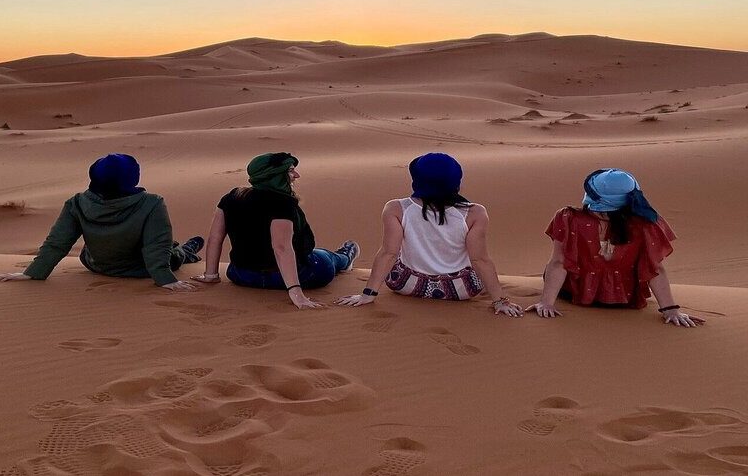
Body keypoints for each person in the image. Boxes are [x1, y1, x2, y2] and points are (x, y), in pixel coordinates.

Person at [0, 154, 202, 291]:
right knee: (174, 252)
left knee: (167, 247)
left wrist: (33, 272)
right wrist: (165, 281)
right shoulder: (152, 203)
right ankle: (188, 250)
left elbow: (58, 242)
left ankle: (182, 248)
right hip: (140, 269)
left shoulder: (77, 202)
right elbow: (156, 247)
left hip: (95, 264)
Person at [335, 153, 522, 316]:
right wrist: (500, 301)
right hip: (461, 290)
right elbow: (480, 260)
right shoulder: (475, 213)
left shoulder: (396, 208)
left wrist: (368, 294)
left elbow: (388, 253)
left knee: (398, 253)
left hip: (406, 285)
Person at [526, 168, 705, 327]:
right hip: (625, 299)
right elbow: (654, 268)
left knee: (553, 266)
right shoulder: (646, 223)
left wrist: (546, 303)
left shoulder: (568, 217)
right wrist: (670, 310)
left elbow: (559, 262)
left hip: (575, 294)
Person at [192, 152, 359, 309]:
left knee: (315, 254)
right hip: (300, 276)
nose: (296, 175)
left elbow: (215, 237)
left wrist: (210, 275)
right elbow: (281, 248)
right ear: (275, 176)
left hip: (242, 275)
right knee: (326, 256)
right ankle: (347, 255)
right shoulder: (282, 203)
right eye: (291, 171)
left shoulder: (232, 196)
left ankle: (341, 257)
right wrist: (296, 292)